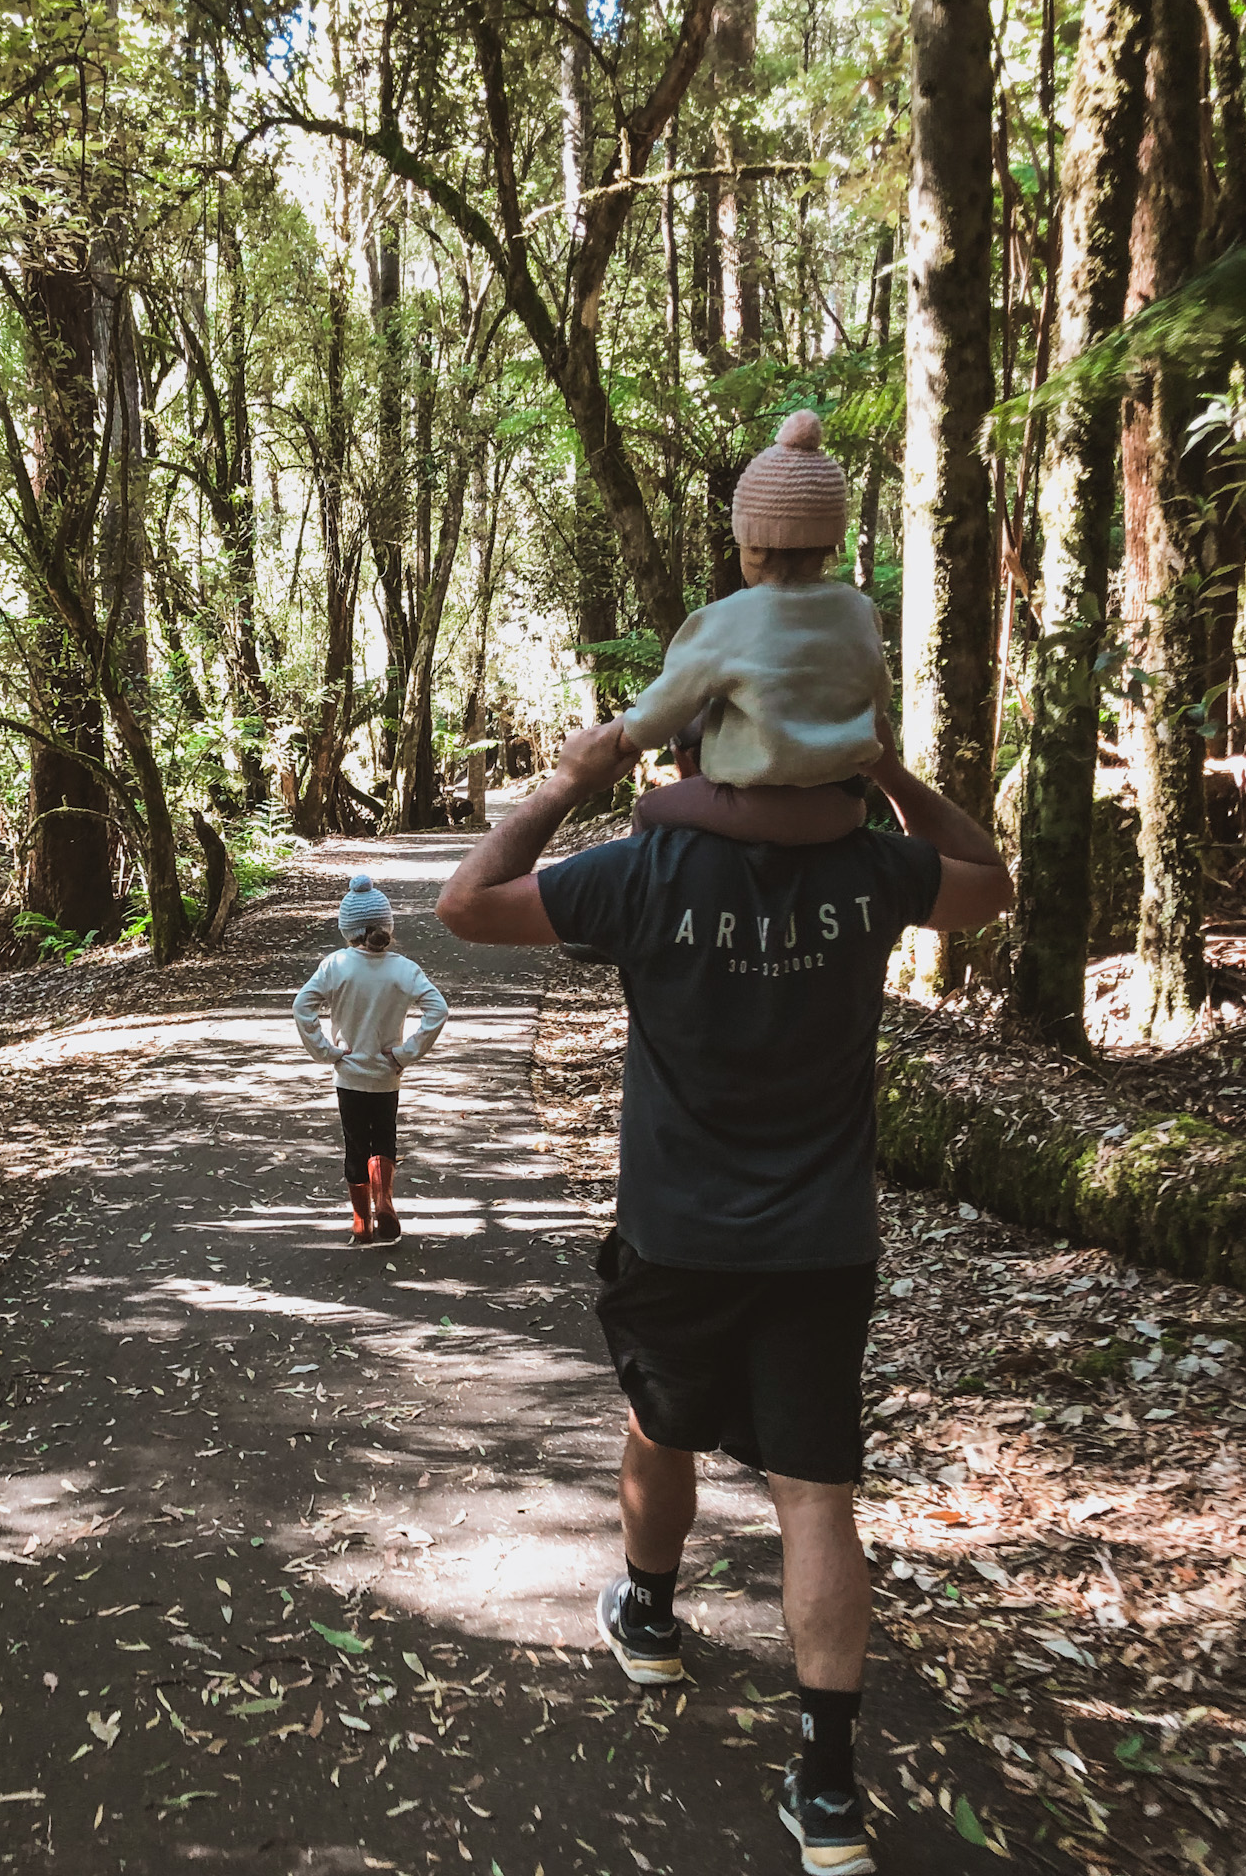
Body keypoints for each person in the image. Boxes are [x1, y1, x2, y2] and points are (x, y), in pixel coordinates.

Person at [435, 715, 1011, 1876]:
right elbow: (990, 884)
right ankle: (830, 1788)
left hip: (678, 1232)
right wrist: (886, 764)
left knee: (661, 1422)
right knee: (816, 1494)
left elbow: (466, 903)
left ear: (689, 756)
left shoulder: (646, 868)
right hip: (822, 1241)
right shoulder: (870, 866)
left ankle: (648, 1617)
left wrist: (570, 777)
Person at [624, 411, 887, 847]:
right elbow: (878, 702)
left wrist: (616, 739)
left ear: (753, 545)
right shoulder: (859, 610)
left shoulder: (724, 619)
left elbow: (653, 720)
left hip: (753, 808)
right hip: (844, 807)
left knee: (649, 812)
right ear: (830, 543)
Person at [294, 873, 448, 1246]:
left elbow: (303, 1008)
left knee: (355, 1145)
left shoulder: (335, 965)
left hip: (349, 1076)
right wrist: (405, 1053)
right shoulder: (403, 969)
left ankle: (361, 1222)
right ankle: (385, 1201)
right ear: (387, 926)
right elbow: (437, 1010)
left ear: (347, 929)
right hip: (386, 1074)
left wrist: (327, 1053)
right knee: (384, 1140)